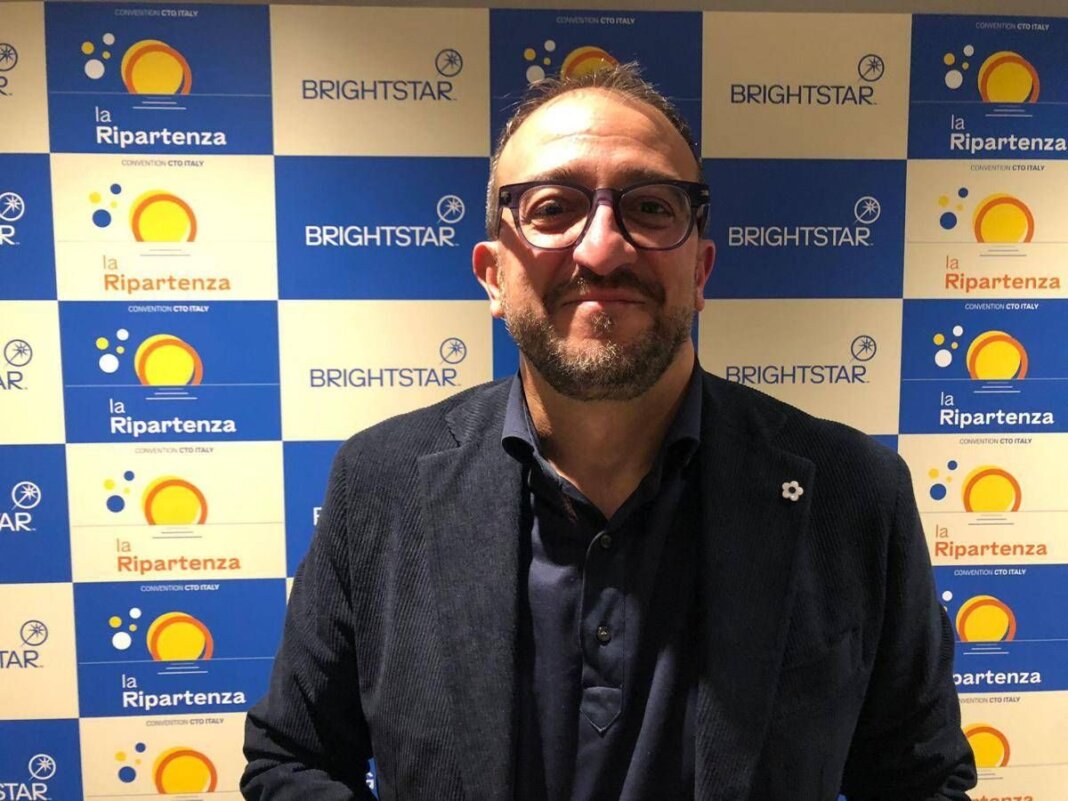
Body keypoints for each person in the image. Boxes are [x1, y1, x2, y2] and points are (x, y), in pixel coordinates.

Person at [242, 64, 976, 800]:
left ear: (701, 269)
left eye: (651, 207)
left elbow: (923, 781)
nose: (602, 249)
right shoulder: (381, 481)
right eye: (553, 208)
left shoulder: (854, 495)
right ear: (492, 275)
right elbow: (291, 760)